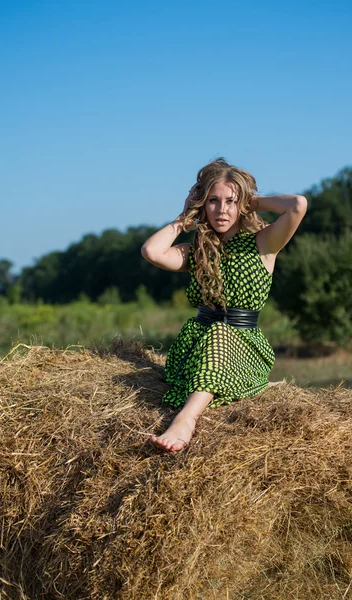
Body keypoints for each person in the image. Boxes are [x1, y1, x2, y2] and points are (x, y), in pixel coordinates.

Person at [141, 157, 307, 452]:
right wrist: (184, 217)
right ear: (203, 205)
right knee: (216, 332)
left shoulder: (264, 243)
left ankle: (186, 419)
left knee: (224, 333)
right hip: (198, 342)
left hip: (244, 342)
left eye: (230, 201)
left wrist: (248, 201)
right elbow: (152, 251)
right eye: (213, 201)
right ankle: (212, 395)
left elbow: (297, 204)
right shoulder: (196, 251)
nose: (221, 210)